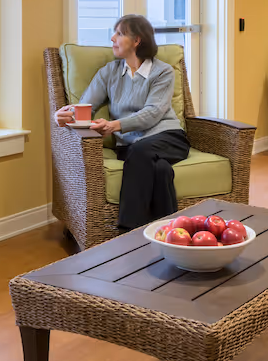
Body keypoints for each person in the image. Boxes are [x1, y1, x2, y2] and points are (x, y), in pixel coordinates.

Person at [54, 15, 189, 230]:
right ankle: (169, 233)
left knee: (141, 152)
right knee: (161, 170)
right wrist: (63, 114)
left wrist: (114, 126)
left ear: (136, 40)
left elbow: (153, 113)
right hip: (131, 147)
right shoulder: (109, 72)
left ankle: (128, 231)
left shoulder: (163, 71)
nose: (112, 38)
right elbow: (85, 106)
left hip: (168, 138)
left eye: (119, 33)